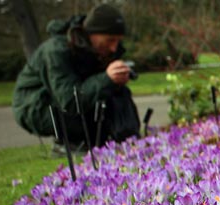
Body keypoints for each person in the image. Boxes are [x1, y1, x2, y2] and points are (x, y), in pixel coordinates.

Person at [12, 4, 140, 154]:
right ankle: (69, 143)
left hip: (67, 98)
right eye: (110, 40)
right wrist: (106, 79)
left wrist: (116, 80)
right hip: (36, 106)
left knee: (118, 93)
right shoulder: (56, 50)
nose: (114, 48)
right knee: (98, 100)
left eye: (118, 41)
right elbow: (69, 101)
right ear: (91, 33)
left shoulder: (100, 49)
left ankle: (126, 141)